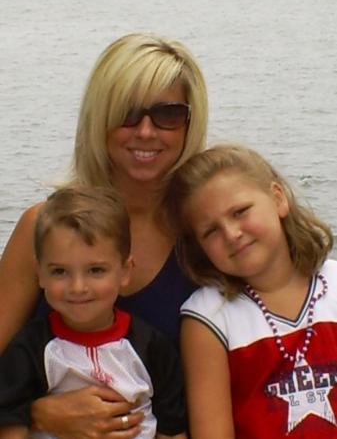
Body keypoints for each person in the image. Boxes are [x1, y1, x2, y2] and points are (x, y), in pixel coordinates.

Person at [0, 32, 208, 438]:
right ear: (99, 117)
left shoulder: (208, 236)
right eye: (127, 113)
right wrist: (38, 415)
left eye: (167, 114)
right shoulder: (40, 228)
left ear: (189, 121)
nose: (146, 131)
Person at [167, 143, 335, 439]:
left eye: (240, 212)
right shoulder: (208, 317)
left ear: (278, 198)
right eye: (211, 231)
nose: (232, 234)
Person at [0, 186, 187, 439]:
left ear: (125, 272)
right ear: (40, 274)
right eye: (59, 272)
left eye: (96, 270)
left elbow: (172, 428)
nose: (78, 287)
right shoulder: (29, 349)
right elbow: (10, 423)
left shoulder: (152, 348)